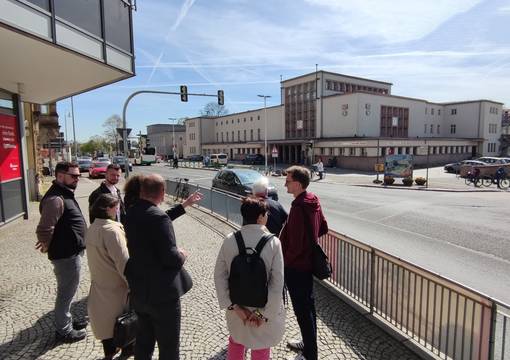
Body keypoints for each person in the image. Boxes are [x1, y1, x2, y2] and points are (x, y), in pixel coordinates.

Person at [124, 174, 194, 360]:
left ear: (141, 191)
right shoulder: (159, 218)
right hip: (162, 295)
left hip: (139, 290)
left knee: (143, 342)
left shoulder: (130, 212)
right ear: (162, 192)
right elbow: (170, 258)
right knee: (169, 347)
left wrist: (183, 206)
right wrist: (182, 254)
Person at [214, 196, 285, 360]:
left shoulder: (230, 239)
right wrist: (263, 315)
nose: (268, 216)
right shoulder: (274, 243)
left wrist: (233, 307)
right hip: (263, 306)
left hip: (237, 307)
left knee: (236, 341)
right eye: (266, 213)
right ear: (260, 217)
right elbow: (277, 283)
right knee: (261, 346)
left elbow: (219, 276)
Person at [35, 161, 88, 343]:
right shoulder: (55, 199)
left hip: (70, 252)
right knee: (66, 293)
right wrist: (46, 244)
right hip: (65, 255)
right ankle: (64, 330)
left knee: (70, 291)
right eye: (73, 176)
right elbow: (44, 229)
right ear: (59, 176)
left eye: (78, 175)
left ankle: (68, 322)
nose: (77, 179)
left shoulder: (64, 193)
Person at [280, 166, 328, 360]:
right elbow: (323, 227)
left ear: (298, 184)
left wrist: (286, 263)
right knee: (309, 309)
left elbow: (296, 246)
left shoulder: (299, 207)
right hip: (306, 265)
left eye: (288, 181)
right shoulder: (313, 200)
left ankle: (309, 354)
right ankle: (309, 345)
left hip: (297, 268)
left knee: (303, 312)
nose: (285, 184)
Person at [85, 194, 132, 360]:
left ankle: (109, 354)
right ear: (107, 209)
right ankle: (126, 352)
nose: (118, 209)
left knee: (105, 323)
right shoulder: (112, 231)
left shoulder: (93, 228)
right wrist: (134, 285)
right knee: (122, 324)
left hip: (100, 285)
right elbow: (123, 263)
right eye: (115, 206)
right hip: (117, 288)